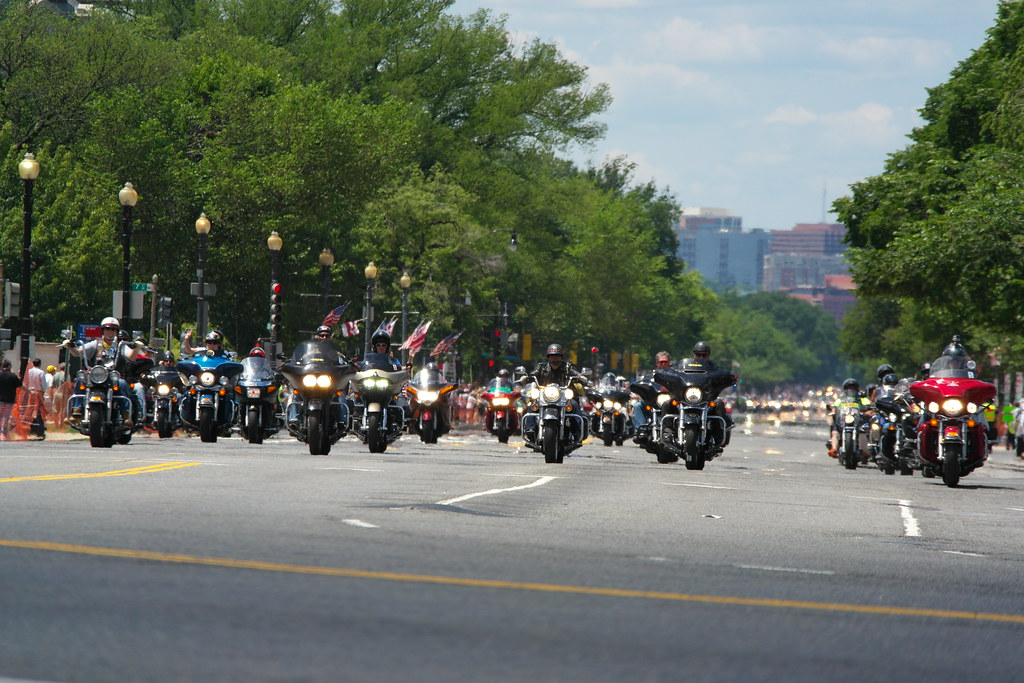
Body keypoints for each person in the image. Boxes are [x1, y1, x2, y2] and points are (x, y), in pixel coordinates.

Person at [63, 317, 142, 424]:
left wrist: (136, 348)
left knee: (123, 383)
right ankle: (76, 412)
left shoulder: (121, 346)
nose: (111, 332)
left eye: (113, 329)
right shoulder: (95, 344)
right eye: (107, 329)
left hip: (113, 377)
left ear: (117, 332)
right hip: (95, 376)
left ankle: (126, 415)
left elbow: (131, 357)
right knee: (80, 380)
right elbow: (78, 352)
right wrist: (70, 346)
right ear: (102, 330)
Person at [632, 351, 672, 439]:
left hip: (671, 403)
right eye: (661, 362)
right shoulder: (650, 376)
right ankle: (641, 431)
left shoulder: (676, 375)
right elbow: (644, 386)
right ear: (657, 363)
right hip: (654, 402)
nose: (664, 364)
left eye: (666, 362)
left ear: (669, 362)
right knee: (638, 406)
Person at [828, 378, 872, 458]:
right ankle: (834, 449)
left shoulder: (862, 399)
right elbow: (835, 407)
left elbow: (869, 407)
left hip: (858, 421)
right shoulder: (840, 399)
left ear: (857, 389)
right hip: (844, 420)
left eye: (853, 388)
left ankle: (864, 450)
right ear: (845, 389)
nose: (851, 390)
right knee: (835, 431)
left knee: (863, 431)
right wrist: (833, 411)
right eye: (849, 388)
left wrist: (868, 412)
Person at [24, 358, 47, 437]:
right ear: (40, 364)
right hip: (38, 392)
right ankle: (39, 428)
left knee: (31, 409)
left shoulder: (29, 371)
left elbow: (26, 382)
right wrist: (44, 391)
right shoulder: (41, 372)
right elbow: (44, 384)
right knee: (38, 410)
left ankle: (31, 427)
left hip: (30, 392)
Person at [0, 359, 22, 440]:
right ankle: (3, 435)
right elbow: (20, 385)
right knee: (5, 417)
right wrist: (29, 392)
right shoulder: (12, 376)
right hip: (9, 401)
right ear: (9, 366)